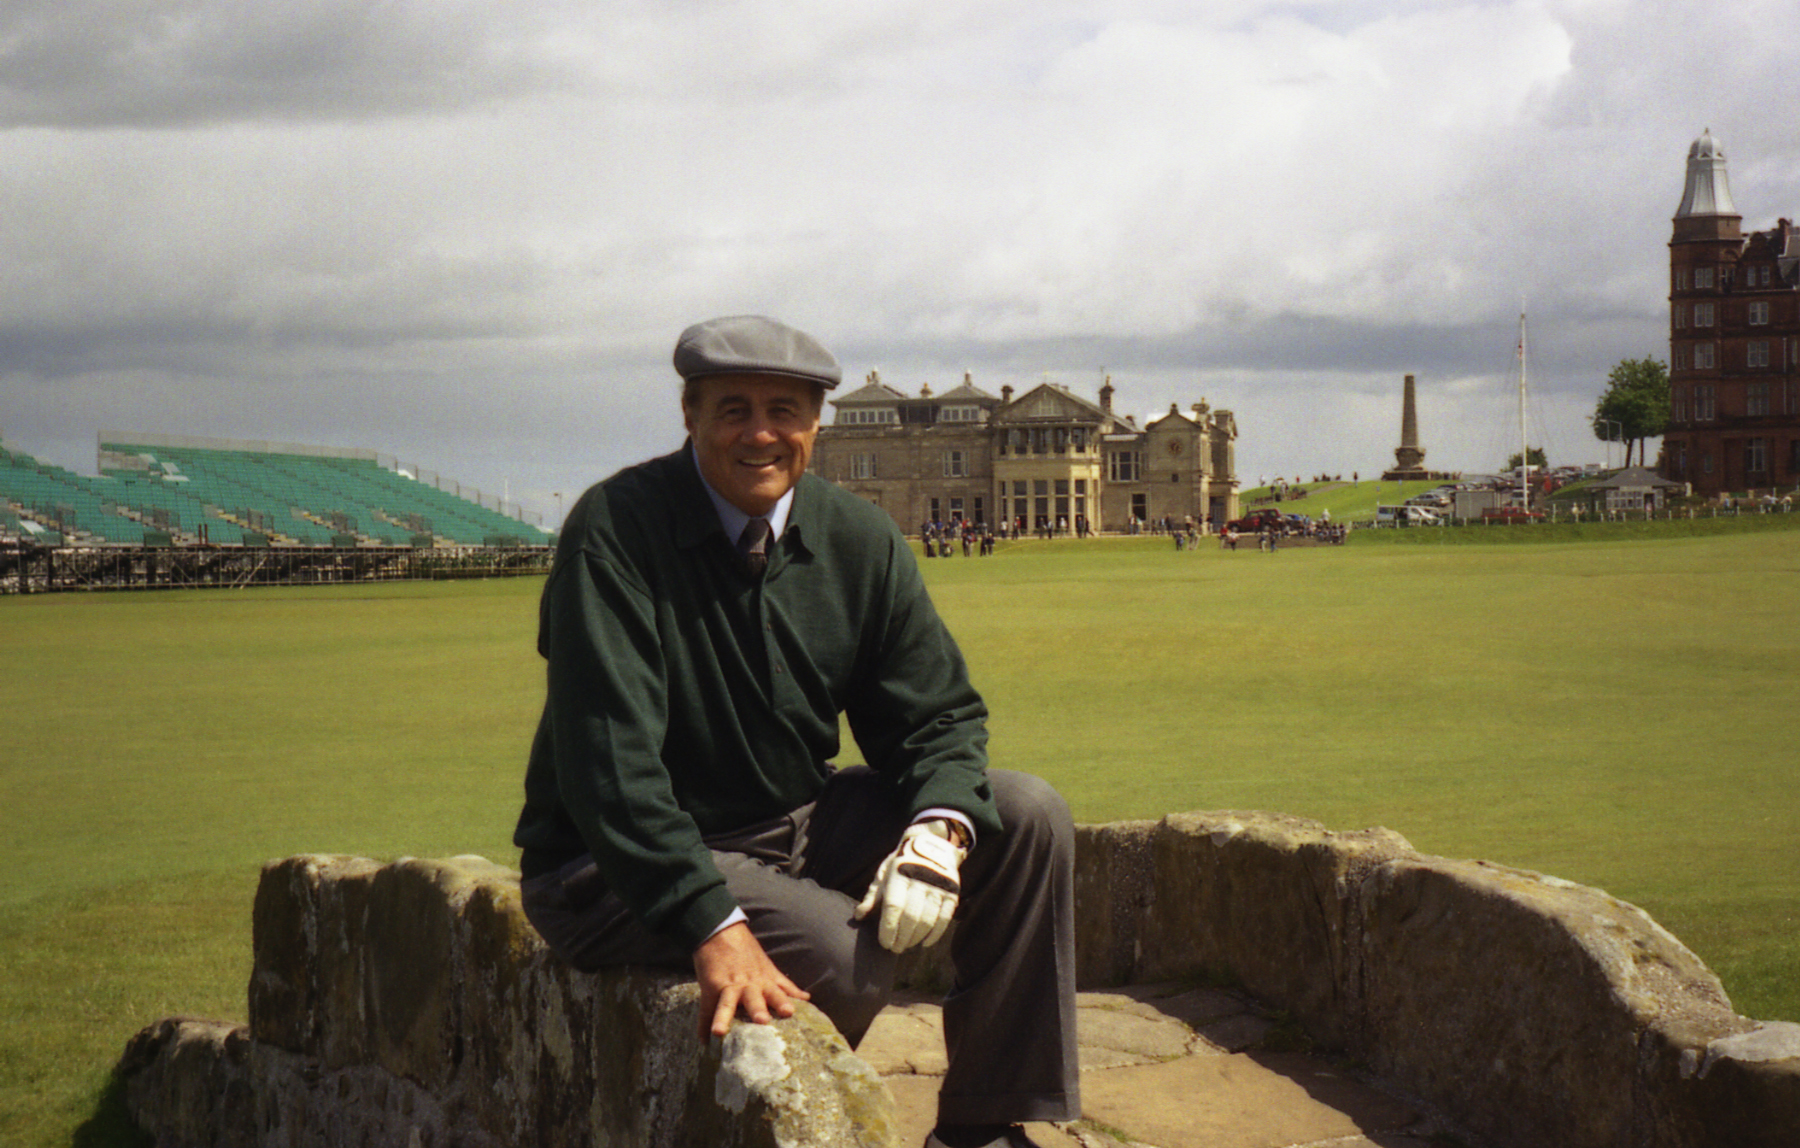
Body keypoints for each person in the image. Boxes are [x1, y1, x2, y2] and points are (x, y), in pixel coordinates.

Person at [513, 316, 1078, 1148]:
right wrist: (712, 921)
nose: (761, 433)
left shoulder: (856, 537)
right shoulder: (616, 530)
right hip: (607, 864)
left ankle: (985, 1129)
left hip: (789, 823)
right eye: (732, 409)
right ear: (689, 415)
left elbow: (936, 714)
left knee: (1025, 815)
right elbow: (610, 770)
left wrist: (939, 824)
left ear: (818, 424)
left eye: (785, 409)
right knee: (840, 961)